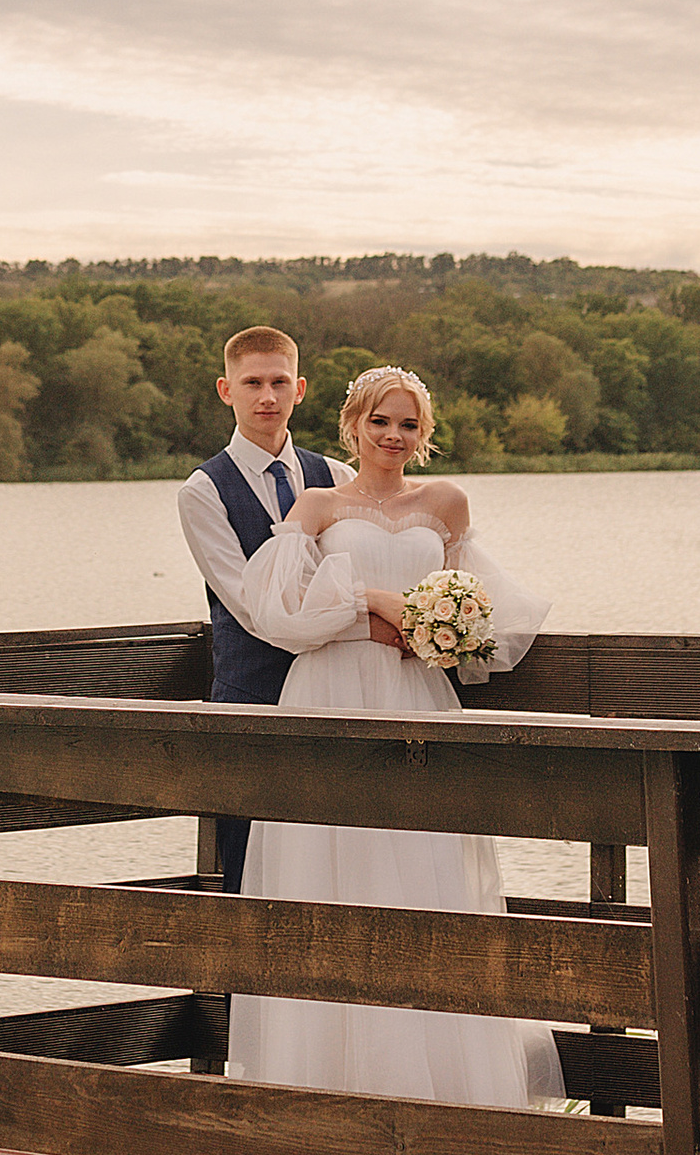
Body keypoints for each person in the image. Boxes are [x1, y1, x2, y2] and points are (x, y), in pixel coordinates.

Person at [226, 362, 565, 1110]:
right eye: (380, 421)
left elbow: (482, 614)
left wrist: (444, 631)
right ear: (353, 425)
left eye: (408, 423)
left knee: (427, 867)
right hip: (328, 699)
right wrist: (375, 601)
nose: (393, 435)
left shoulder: (445, 503)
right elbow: (279, 611)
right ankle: (324, 1083)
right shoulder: (318, 505)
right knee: (331, 868)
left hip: (416, 697)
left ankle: (442, 1088)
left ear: (424, 433)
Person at [176, 326, 345, 894]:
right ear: (226, 390)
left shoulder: (337, 477)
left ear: (301, 389)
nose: (267, 397)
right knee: (250, 867)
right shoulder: (203, 491)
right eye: (252, 383)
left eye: (279, 382)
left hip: (338, 694)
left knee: (335, 856)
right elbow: (253, 607)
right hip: (253, 695)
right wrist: (357, 616)